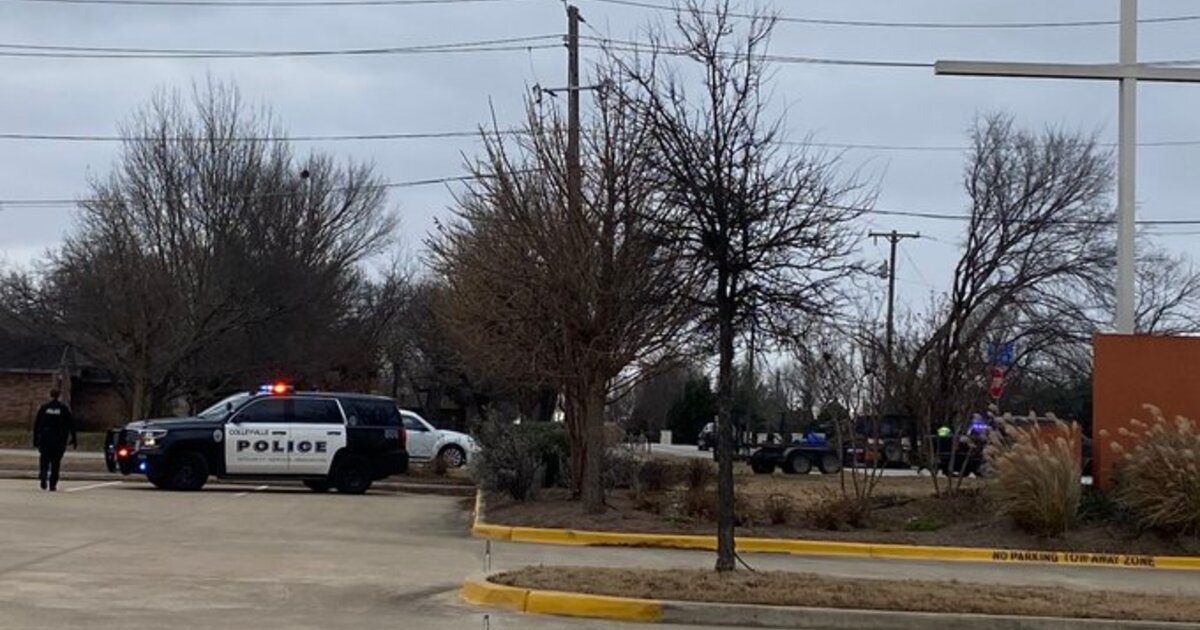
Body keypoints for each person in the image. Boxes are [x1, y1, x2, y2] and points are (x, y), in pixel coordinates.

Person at [33, 388, 76, 491]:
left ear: (50, 395)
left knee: (44, 459)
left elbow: (37, 424)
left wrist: (35, 438)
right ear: (59, 396)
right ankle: (53, 484)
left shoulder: (44, 408)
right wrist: (74, 438)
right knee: (56, 462)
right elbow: (70, 424)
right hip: (58, 439)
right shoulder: (63, 408)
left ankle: (43, 476)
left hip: (45, 437)